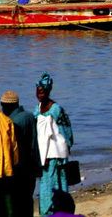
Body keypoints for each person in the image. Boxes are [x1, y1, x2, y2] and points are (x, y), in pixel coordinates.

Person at [36, 72, 74, 216]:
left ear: (48, 91)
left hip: (56, 155)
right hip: (43, 155)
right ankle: (47, 212)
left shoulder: (57, 109)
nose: (40, 95)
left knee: (57, 183)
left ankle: (61, 211)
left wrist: (67, 147)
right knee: (46, 185)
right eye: (38, 92)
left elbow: (67, 131)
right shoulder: (37, 109)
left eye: (42, 92)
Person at [1, 91, 38, 217]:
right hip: (30, 168)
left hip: (17, 169)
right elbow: (34, 144)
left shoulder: (12, 121)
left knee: (15, 203)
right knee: (27, 200)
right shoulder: (29, 116)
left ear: (5, 105)